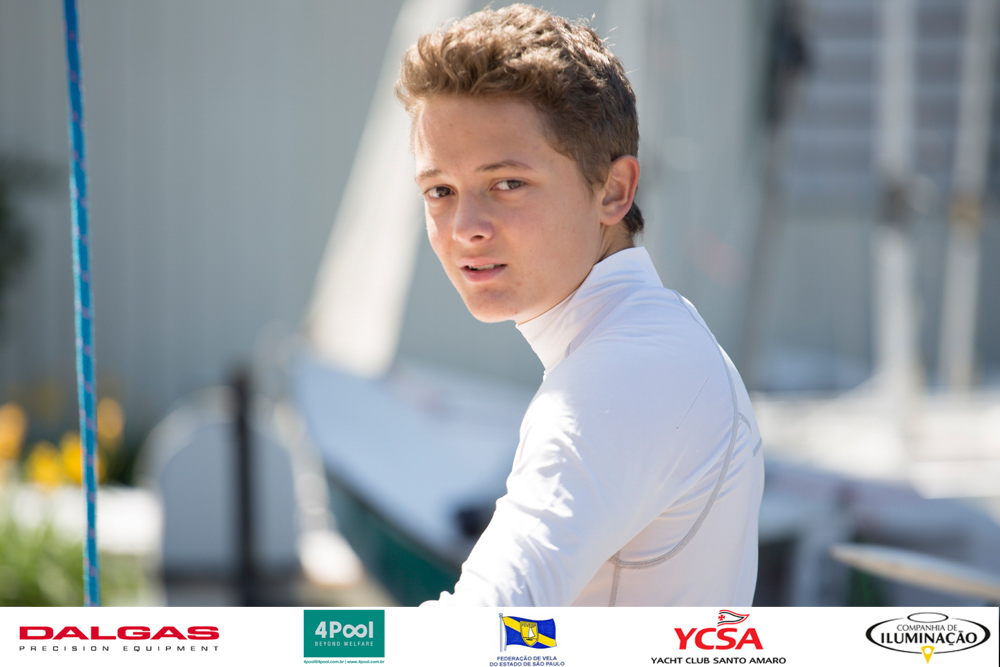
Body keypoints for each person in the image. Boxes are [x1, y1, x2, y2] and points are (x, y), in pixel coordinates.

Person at [396, 3, 764, 606]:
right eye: (440, 190)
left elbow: (484, 632)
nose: (465, 227)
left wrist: (307, 643)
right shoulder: (654, 344)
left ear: (614, 191)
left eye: (507, 183)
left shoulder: (623, 375)